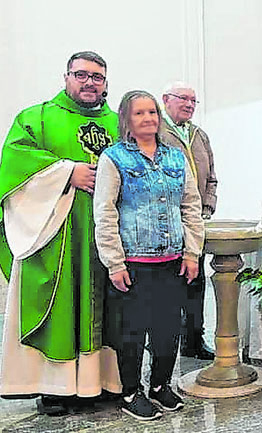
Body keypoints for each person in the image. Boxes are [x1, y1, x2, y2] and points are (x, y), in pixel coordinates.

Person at [0, 51, 121, 415]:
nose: (89, 82)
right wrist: (67, 172)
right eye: (81, 74)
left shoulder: (119, 122)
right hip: (58, 233)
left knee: (110, 308)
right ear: (66, 76)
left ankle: (101, 381)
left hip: (108, 234)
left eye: (97, 77)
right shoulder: (36, 117)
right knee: (63, 304)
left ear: (105, 83)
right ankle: (55, 387)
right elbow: (13, 163)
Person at [94, 90, 204, 420]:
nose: (149, 119)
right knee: (132, 331)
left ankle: (159, 386)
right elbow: (105, 212)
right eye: (140, 113)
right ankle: (131, 392)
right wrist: (114, 262)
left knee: (167, 329)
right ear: (127, 119)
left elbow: (191, 206)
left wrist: (192, 253)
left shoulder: (175, 158)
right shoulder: (114, 159)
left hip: (172, 261)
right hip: (133, 263)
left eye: (153, 112)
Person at [160, 82, 217, 360]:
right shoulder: (156, 132)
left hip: (196, 222)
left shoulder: (199, 135)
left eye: (194, 100)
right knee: (169, 286)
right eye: (183, 98)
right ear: (165, 100)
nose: (189, 104)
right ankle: (162, 343)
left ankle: (194, 340)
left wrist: (208, 206)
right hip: (166, 222)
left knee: (196, 282)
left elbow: (212, 177)